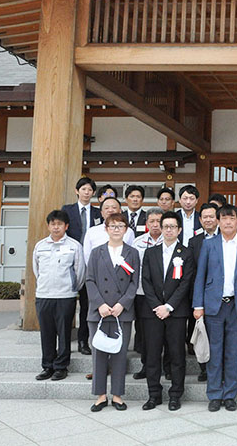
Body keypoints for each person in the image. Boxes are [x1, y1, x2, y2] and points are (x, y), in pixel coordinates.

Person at [192, 204, 237, 412]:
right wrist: (198, 305)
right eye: (224, 218)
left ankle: (230, 394)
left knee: (234, 352)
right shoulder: (209, 244)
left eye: (232, 218)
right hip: (214, 305)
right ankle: (214, 394)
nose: (228, 222)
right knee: (214, 351)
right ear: (218, 222)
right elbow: (200, 276)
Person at [141, 211, 195, 411]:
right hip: (153, 312)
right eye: (166, 227)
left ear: (179, 230)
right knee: (153, 355)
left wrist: (169, 306)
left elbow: (186, 283)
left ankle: (175, 395)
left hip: (176, 312)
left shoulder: (186, 253)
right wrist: (157, 306)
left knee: (176, 355)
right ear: (160, 229)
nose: (169, 230)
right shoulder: (151, 252)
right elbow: (145, 281)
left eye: (173, 227)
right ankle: (153, 394)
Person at [85, 213, 139, 412]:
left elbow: (134, 282)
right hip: (99, 311)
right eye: (112, 226)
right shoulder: (96, 252)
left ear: (126, 229)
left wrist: (122, 304)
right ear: (106, 229)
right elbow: (89, 280)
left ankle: (117, 394)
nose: (116, 229)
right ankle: (100, 395)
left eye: (120, 226)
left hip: (121, 312)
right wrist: (100, 304)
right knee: (98, 353)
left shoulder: (132, 253)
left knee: (119, 353)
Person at [32, 209, 86, 381]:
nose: (56, 227)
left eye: (59, 224)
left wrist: (72, 288)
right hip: (44, 295)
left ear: (66, 226)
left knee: (64, 333)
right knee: (46, 332)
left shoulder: (74, 246)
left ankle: (61, 367)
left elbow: (80, 272)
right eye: (53, 224)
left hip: (65, 296)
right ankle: (47, 366)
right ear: (48, 226)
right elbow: (36, 270)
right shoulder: (40, 246)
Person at [62, 177, 101, 356]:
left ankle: (83, 341)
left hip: (91, 263)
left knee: (86, 304)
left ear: (93, 193)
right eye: (83, 189)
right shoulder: (67, 210)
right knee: (67, 305)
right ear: (77, 191)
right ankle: (64, 342)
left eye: (90, 190)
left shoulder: (98, 213)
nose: (86, 192)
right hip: (71, 261)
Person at [187, 203, 219, 382]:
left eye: (211, 216)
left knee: (217, 334)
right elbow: (192, 272)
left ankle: (218, 367)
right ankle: (204, 368)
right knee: (202, 332)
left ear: (218, 218)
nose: (208, 220)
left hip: (221, 295)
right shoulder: (194, 242)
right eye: (204, 217)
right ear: (200, 220)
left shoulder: (226, 237)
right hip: (200, 295)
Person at [131, 208, 164, 380]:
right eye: (152, 221)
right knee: (144, 332)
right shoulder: (138, 242)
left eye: (159, 221)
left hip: (164, 295)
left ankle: (167, 366)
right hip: (142, 293)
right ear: (146, 223)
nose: (155, 225)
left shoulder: (171, 240)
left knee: (166, 333)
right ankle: (146, 365)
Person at [83, 197, 135, 264]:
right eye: (106, 208)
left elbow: (131, 255)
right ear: (102, 213)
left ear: (120, 211)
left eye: (114, 207)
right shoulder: (91, 232)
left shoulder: (128, 231)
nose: (110, 210)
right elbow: (87, 256)